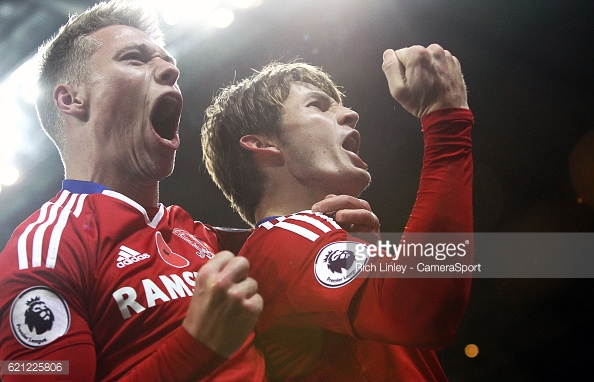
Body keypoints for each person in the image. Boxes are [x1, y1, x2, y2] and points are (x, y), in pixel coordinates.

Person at [0, 1, 378, 381]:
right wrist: (196, 347)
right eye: (134, 59)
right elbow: (417, 304)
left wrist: (360, 251)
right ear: (71, 99)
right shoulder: (45, 247)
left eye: (166, 61)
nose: (171, 69)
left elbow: (397, 289)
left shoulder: (207, 238)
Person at [201, 45, 473, 380]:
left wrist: (372, 260)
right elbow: (420, 311)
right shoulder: (280, 240)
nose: (349, 114)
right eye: (318, 105)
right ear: (263, 145)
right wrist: (446, 122)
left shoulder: (305, 242)